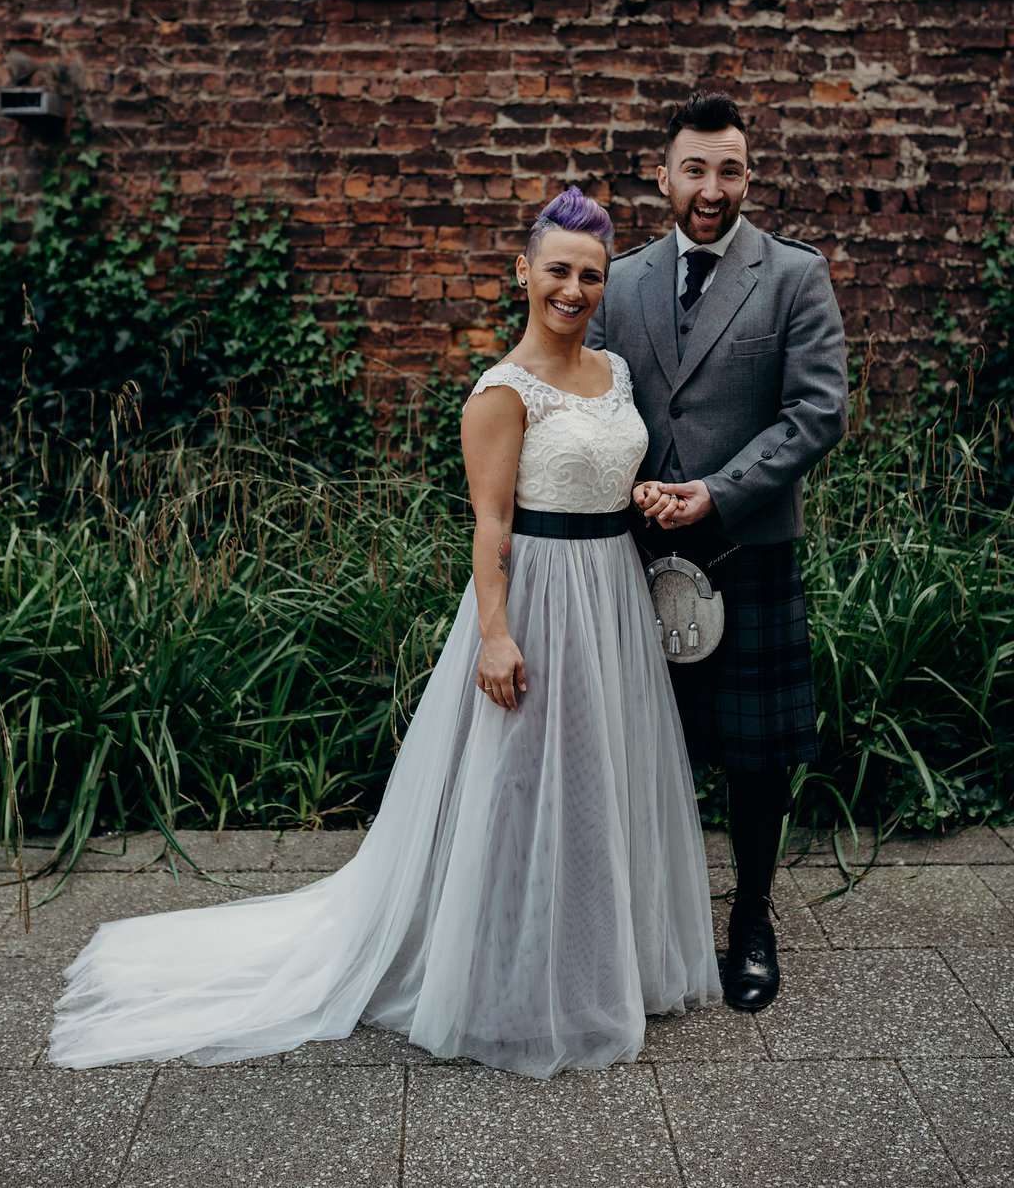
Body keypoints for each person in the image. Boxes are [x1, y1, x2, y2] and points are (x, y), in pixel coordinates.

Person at [48, 186, 721, 1081]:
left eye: (590, 275)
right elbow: (491, 524)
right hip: (538, 601)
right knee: (521, 787)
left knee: (602, 780)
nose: (574, 289)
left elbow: (604, 469)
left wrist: (638, 494)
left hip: (613, 598)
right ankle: (505, 978)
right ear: (523, 272)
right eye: (558, 270)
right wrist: (495, 636)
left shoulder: (616, 374)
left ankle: (598, 961)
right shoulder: (500, 392)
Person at [586, 89, 849, 1014]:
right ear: (663, 177)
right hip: (636, 549)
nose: (711, 188)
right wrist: (635, 485)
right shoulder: (621, 281)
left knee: (754, 758)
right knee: (637, 746)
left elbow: (817, 411)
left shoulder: (794, 276)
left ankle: (752, 919)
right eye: (694, 169)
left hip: (747, 550)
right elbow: (593, 401)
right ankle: (640, 920)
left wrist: (718, 491)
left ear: (748, 176)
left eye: (728, 170)